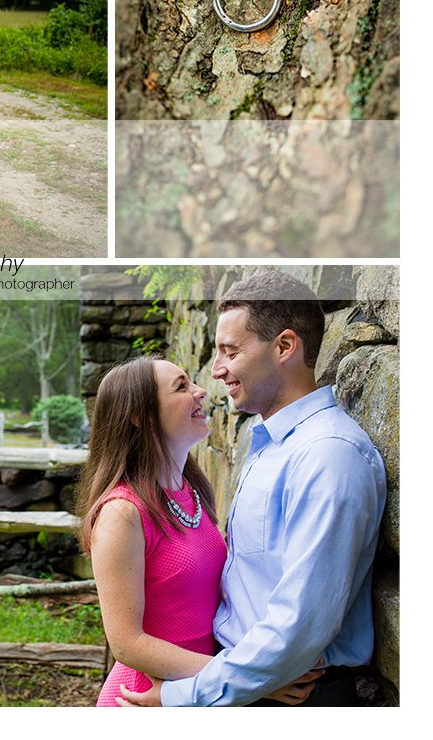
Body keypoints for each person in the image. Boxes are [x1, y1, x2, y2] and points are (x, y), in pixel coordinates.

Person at [119, 271, 387, 706]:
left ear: (284, 347)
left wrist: (182, 698)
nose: (217, 369)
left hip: (294, 697)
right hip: (253, 684)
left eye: (231, 351)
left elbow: (298, 625)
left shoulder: (327, 455)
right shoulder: (271, 444)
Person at [80, 356, 321, 707]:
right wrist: (248, 680)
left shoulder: (193, 490)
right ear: (141, 416)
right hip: (146, 698)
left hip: (196, 691)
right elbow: (126, 643)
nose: (201, 392)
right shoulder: (122, 512)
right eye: (182, 387)